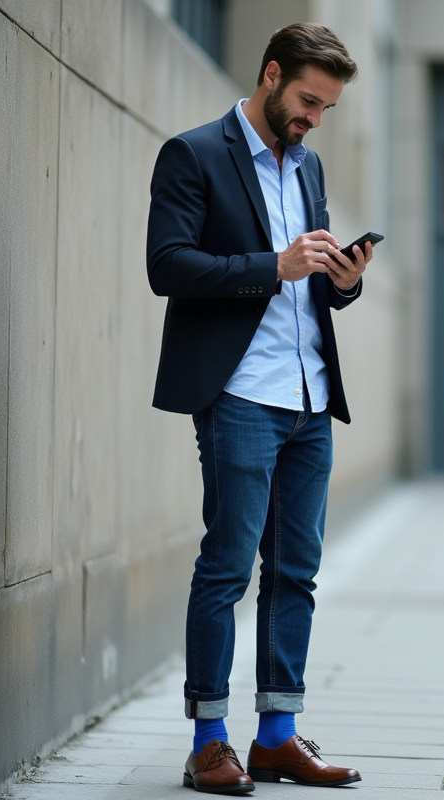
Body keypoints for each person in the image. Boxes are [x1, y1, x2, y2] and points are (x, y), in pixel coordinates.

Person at [146, 23, 368, 793]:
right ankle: (210, 740)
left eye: (327, 108)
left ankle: (277, 734)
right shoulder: (194, 153)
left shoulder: (308, 167)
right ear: (271, 75)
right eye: (307, 100)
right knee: (227, 568)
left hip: (309, 394)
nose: (313, 118)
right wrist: (271, 266)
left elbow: (313, 278)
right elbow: (167, 264)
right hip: (241, 394)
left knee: (297, 572)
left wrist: (343, 279)